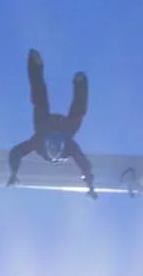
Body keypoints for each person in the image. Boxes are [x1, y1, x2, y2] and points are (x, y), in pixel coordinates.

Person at [6, 47, 96, 194]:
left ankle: (35, 64)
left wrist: (14, 172)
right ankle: (81, 82)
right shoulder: (69, 146)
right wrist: (90, 186)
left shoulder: (38, 141)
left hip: (44, 126)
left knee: (39, 100)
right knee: (77, 115)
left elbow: (17, 151)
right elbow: (84, 164)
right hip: (64, 129)